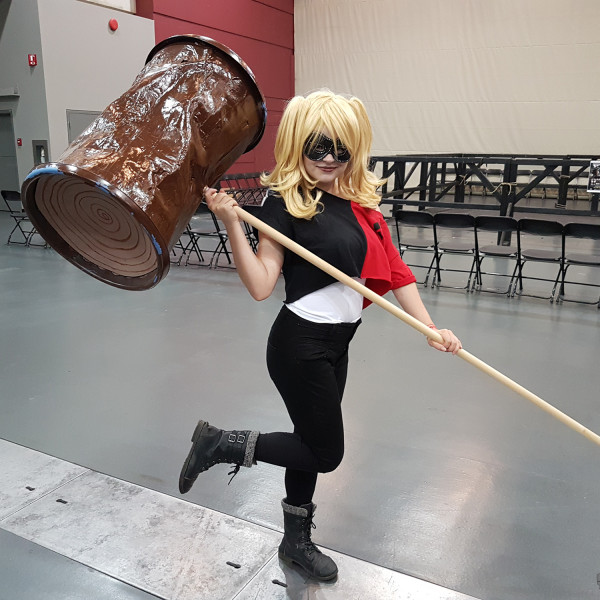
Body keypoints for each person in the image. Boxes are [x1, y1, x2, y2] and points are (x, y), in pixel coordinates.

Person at [178, 90, 462, 581]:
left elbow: (397, 273)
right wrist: (231, 224)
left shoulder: (359, 206)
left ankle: (295, 543)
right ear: (297, 143)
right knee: (326, 453)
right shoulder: (283, 203)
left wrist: (430, 329)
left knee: (308, 443)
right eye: (318, 146)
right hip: (299, 345)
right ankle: (220, 443)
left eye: (341, 148)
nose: (330, 157)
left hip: (338, 345)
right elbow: (261, 285)